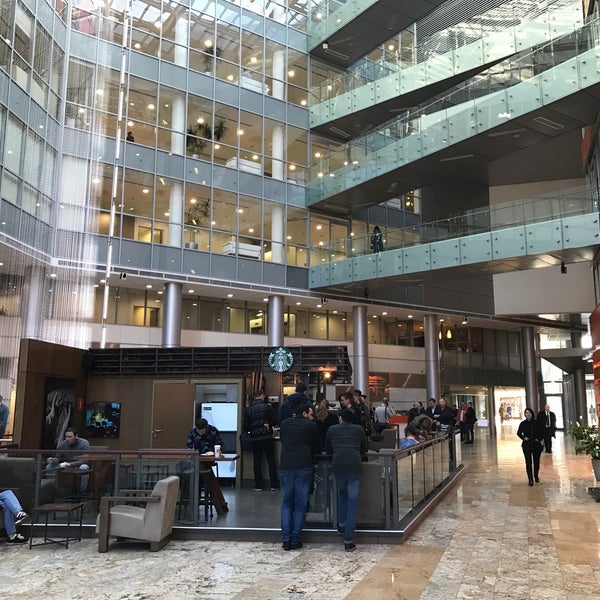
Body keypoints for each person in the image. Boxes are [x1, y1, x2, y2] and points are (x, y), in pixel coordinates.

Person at [279, 398, 322, 551]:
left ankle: (286, 539)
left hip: (286, 465)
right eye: (310, 414)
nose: (312, 417)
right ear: (304, 413)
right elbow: (317, 446)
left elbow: (283, 441)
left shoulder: (284, 424)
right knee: (301, 503)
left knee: (286, 502)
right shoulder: (311, 426)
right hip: (304, 465)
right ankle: (296, 539)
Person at [325, 408, 367, 552]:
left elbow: (328, 448)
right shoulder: (359, 429)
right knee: (352, 503)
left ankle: (341, 525)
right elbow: (364, 448)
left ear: (340, 418)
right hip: (354, 465)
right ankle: (348, 541)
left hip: (338, 465)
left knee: (342, 493)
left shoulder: (332, 429)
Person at [184, 417, 228, 515]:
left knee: (201, 468)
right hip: (197, 458)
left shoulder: (213, 430)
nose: (200, 433)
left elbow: (221, 446)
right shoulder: (192, 431)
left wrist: (218, 451)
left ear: (206, 427)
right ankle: (219, 502)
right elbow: (188, 446)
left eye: (202, 431)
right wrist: (191, 452)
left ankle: (197, 499)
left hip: (210, 458)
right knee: (201, 469)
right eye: (198, 431)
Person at [244, 392, 278, 491]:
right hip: (267, 437)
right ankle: (273, 485)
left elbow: (245, 425)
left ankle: (258, 485)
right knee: (271, 461)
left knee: (257, 462)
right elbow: (275, 421)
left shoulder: (249, 409)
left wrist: (252, 429)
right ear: (262, 396)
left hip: (255, 438)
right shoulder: (268, 407)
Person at [46, 427, 91, 493]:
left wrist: (70, 464)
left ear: (76, 436)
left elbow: (85, 460)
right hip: (65, 465)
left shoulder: (84, 443)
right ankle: (52, 490)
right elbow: (57, 458)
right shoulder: (63, 444)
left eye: (70, 437)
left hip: (78, 465)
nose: (67, 439)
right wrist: (52, 460)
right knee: (49, 467)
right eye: (66, 437)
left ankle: (82, 491)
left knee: (84, 467)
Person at [517, 407, 544, 485]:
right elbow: (519, 433)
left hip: (536, 445)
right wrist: (524, 438)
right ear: (525, 414)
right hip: (527, 445)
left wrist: (538, 439)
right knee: (528, 462)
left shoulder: (537, 423)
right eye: (526, 413)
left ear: (532, 414)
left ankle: (536, 476)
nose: (528, 414)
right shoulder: (523, 423)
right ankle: (530, 479)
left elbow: (542, 432)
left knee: (536, 461)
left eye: (529, 413)